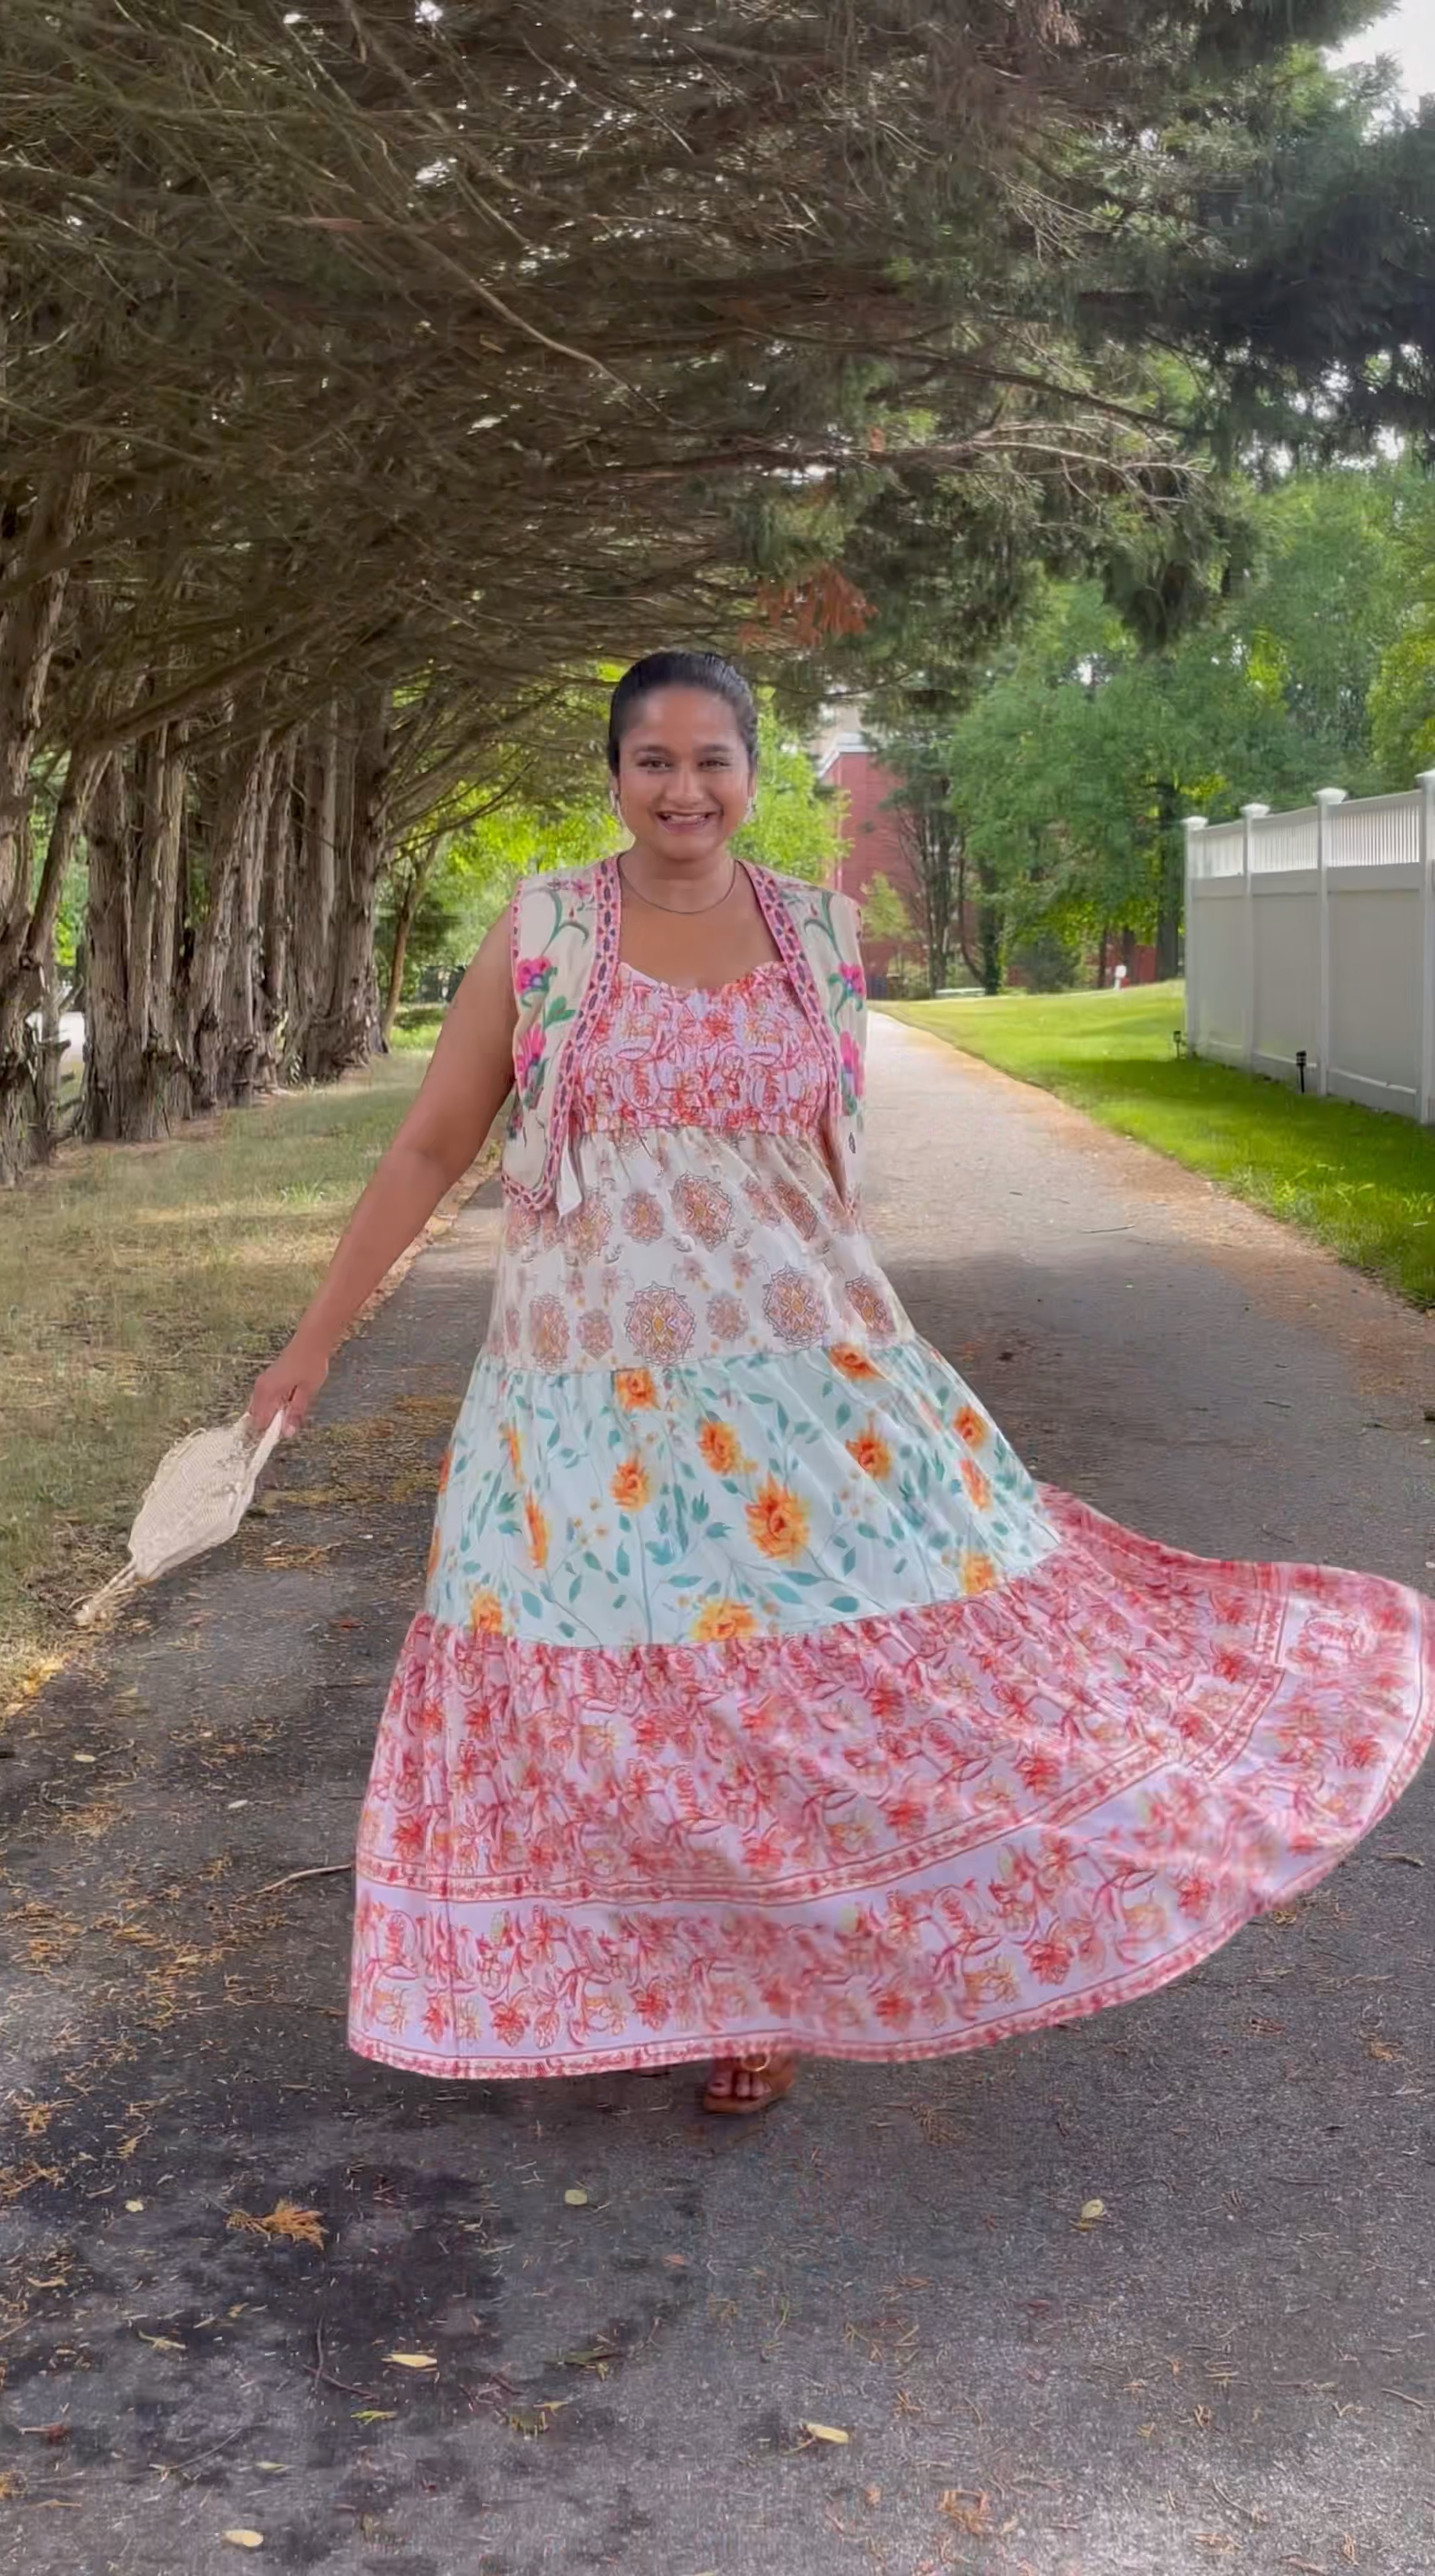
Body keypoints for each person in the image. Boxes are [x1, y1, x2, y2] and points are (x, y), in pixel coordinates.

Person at [251, 649, 1434, 2117]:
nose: (683, 789)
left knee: (831, 1676)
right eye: (652, 762)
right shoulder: (547, 932)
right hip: (578, 1386)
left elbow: (824, 1173)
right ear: (615, 778)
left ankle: (767, 1987)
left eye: (711, 760)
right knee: (615, 1689)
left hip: (801, 1382)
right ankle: (671, 1971)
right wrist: (314, 1340)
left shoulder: (822, 933)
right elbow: (433, 1146)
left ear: (756, 774)